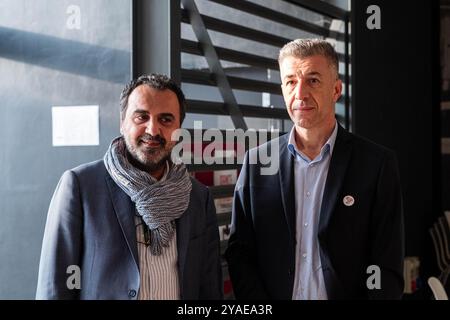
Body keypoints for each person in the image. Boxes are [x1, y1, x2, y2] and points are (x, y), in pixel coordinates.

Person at [225, 39, 404, 299]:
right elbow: (240, 253)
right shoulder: (256, 163)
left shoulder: (376, 165)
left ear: (336, 89)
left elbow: (386, 264)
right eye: (290, 82)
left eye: (313, 80)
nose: (300, 94)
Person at [36, 74, 223, 300]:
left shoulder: (198, 198)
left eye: (166, 120)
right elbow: (56, 285)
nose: (153, 130)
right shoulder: (80, 187)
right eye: (141, 117)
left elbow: (208, 286)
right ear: (122, 122)